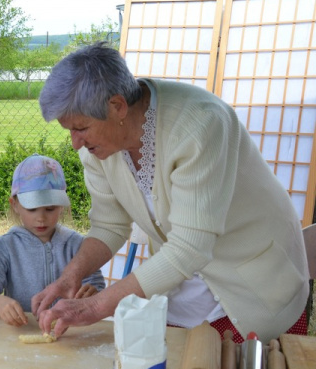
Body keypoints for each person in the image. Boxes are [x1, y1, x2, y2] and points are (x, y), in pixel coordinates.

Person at [33, 42, 310, 344]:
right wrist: (71, 275)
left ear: (117, 106)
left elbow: (190, 246)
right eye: (69, 130)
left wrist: (95, 307)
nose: (75, 143)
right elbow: (109, 225)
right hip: (186, 279)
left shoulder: (199, 124)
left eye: (81, 128)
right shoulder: (99, 149)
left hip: (254, 283)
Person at [0, 154, 105, 326]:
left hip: (69, 331)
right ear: (15, 204)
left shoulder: (77, 244)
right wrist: (0, 303)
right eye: (32, 208)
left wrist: (92, 294)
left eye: (50, 208)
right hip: (23, 329)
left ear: (61, 205)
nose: (41, 218)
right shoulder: (6, 246)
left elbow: (96, 288)